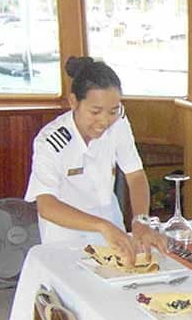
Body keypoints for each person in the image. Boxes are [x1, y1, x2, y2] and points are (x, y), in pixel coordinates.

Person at [25, 56, 164, 263]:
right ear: (74, 102)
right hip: (66, 237)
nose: (104, 121)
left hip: (112, 231)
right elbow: (46, 206)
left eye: (113, 111)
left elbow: (135, 174)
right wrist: (102, 226)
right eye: (95, 112)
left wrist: (141, 220)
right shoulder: (51, 141)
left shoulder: (118, 122)